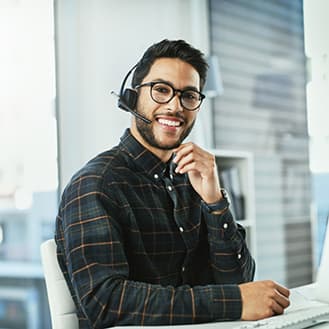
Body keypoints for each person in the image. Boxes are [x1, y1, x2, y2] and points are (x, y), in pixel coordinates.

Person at [55, 39, 290, 328]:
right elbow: (104, 301)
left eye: (189, 95)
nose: (175, 106)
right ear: (132, 97)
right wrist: (232, 302)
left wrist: (215, 203)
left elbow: (238, 281)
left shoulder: (189, 178)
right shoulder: (97, 184)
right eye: (161, 90)